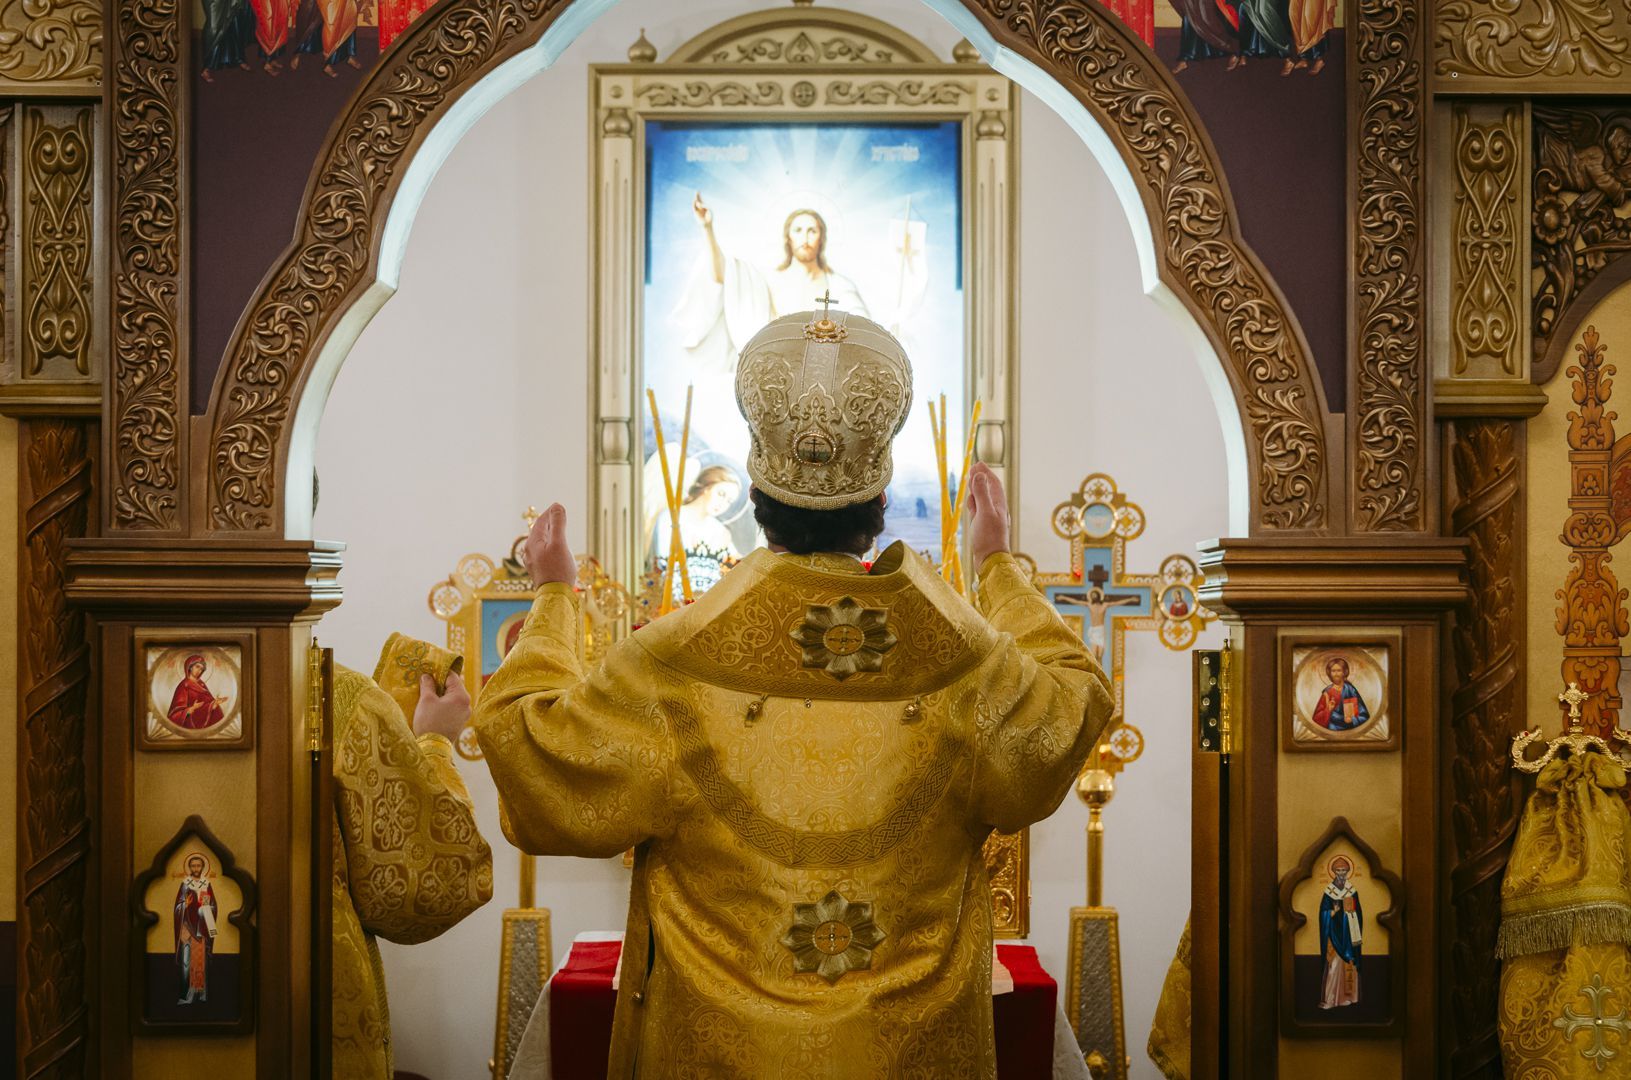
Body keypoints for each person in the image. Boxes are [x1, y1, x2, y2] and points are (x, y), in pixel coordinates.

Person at [476, 305, 1113, 1076]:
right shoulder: (964, 664)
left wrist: (552, 598)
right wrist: (997, 568)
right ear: (879, 504)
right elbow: (1074, 702)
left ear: (755, 495)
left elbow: (530, 750)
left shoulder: (669, 662)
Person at [331, 638, 494, 1078]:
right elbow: (429, 885)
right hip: (314, 994)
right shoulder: (342, 699)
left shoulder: (143, 689)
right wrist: (436, 743)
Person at [1318, 856, 1362, 1008]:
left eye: (1344, 870)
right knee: (1334, 966)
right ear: (1334, 872)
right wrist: (1333, 912)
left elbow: (1359, 914)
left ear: (1348, 871)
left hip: (1349, 935)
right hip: (1334, 935)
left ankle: (1348, 998)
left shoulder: (1352, 891)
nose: (1341, 873)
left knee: (1349, 966)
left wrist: (1352, 914)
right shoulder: (1329, 892)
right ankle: (1331, 1000)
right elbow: (1323, 914)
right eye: (1338, 870)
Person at [174, 854, 217, 1004]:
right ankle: (185, 995)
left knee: (201, 962)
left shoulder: (206, 884)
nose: (196, 868)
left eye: (198, 866)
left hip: (201, 929)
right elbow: (177, 907)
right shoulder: (185, 884)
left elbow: (213, 906)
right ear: (190, 867)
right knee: (186, 963)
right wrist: (184, 904)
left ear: (202, 867)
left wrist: (206, 909)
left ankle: (199, 994)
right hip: (187, 930)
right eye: (193, 866)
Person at [168, 655, 229, 730]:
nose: (199, 671)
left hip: (203, 724)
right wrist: (189, 710)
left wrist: (214, 703)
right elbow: (174, 714)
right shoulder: (184, 685)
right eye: (197, 667)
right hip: (189, 725)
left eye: (201, 669)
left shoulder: (201, 684)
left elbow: (208, 704)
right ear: (190, 667)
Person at [1311, 656, 1369, 731]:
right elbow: (1316, 718)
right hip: (1332, 729)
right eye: (1333, 671)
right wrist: (1328, 709)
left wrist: (1353, 720)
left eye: (1339, 670)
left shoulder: (1351, 690)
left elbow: (1364, 715)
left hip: (1350, 729)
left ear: (1344, 672)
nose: (1336, 674)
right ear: (1329, 673)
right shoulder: (1327, 692)